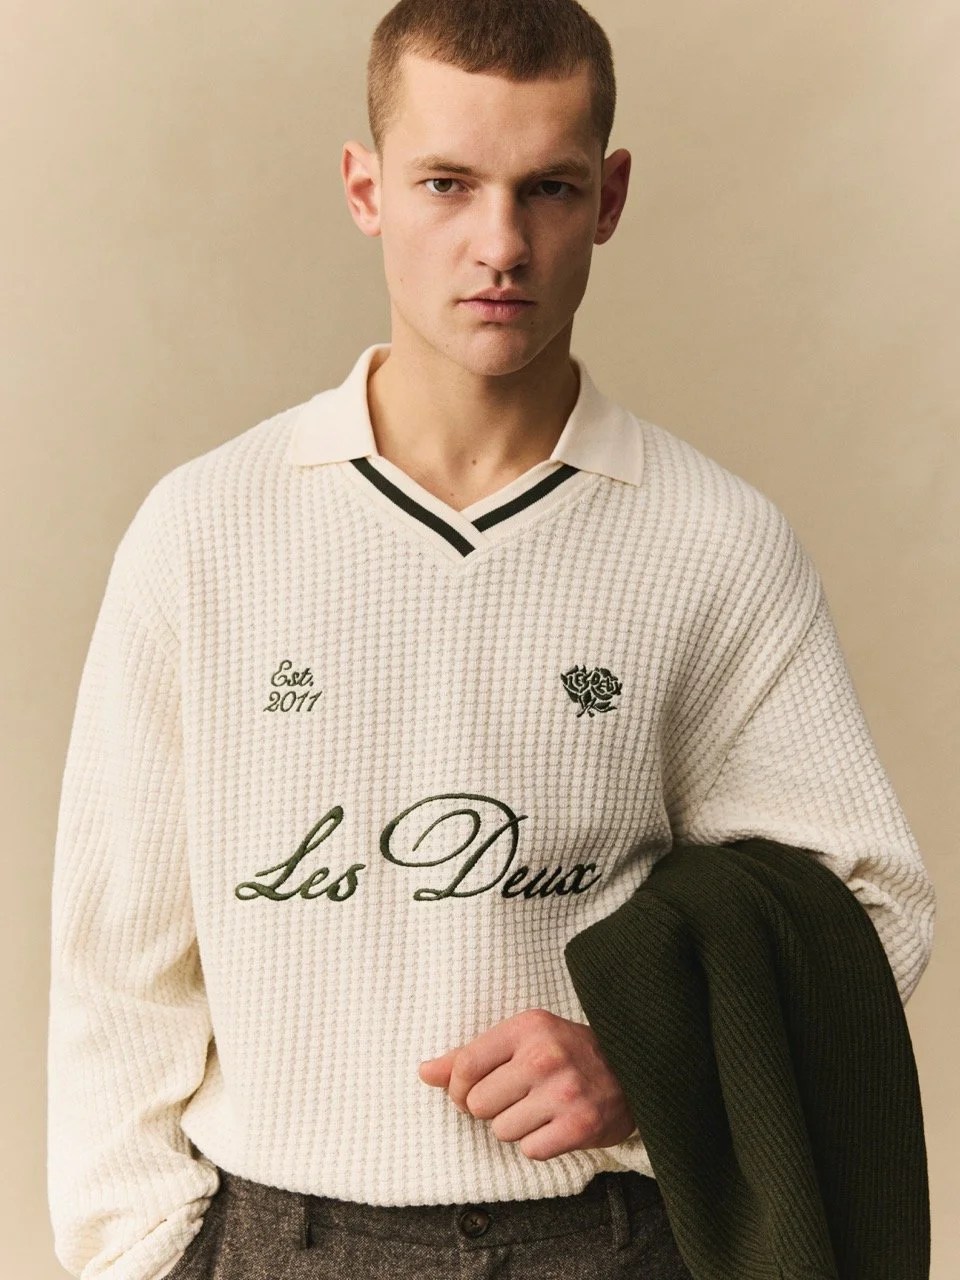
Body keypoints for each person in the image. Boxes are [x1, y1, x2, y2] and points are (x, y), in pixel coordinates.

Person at [46, 0, 936, 1277]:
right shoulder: (204, 531)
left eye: (548, 188)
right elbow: (114, 964)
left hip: (610, 1239)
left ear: (609, 197)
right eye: (447, 184)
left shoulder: (714, 542)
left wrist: (648, 1053)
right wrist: (141, 1258)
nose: (501, 244)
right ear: (366, 188)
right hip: (278, 1238)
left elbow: (875, 901)